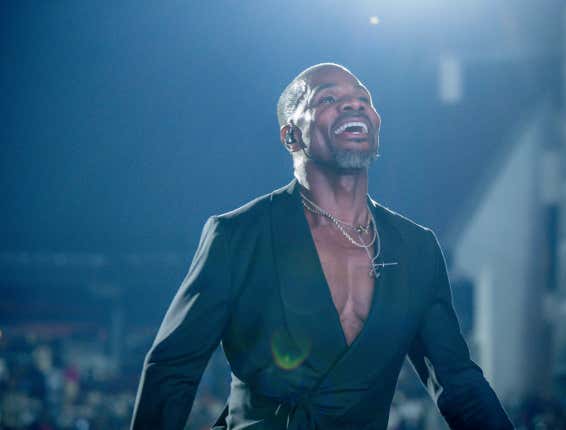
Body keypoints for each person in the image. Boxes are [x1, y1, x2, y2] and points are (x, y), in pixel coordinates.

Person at [130, 63, 514, 430]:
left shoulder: (417, 249)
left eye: (363, 97)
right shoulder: (236, 236)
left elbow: (458, 382)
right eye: (328, 99)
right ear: (291, 136)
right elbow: (173, 369)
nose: (354, 103)